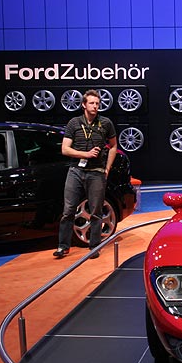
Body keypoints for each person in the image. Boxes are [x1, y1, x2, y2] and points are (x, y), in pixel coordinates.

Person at [54, 89, 117, 259]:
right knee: (68, 210)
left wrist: (108, 167)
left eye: (97, 103)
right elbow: (65, 149)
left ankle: (94, 245)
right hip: (76, 171)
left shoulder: (105, 123)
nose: (95, 106)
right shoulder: (74, 123)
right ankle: (63, 246)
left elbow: (113, 146)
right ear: (83, 105)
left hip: (96, 172)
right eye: (91, 103)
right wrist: (86, 154)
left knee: (96, 211)